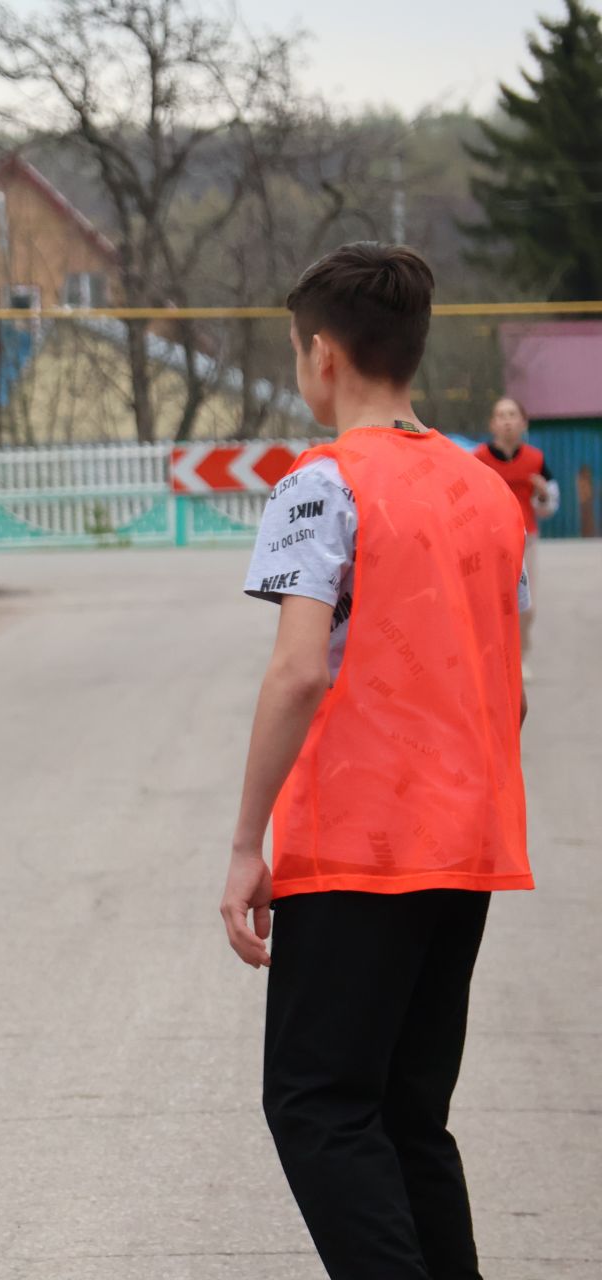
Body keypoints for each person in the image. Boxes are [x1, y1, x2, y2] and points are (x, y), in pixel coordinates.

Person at [219, 243, 532, 1280]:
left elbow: (299, 670)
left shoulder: (322, 482)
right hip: (470, 842)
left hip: (359, 842)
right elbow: (512, 686)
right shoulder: (487, 491)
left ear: (319, 355)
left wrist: (243, 843)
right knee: (407, 1115)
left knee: (316, 1104)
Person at [472, 396, 556, 676]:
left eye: (512, 415)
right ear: (492, 424)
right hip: (488, 541)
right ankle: (492, 657)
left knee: (526, 606)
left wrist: (543, 494)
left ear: (523, 422)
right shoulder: (478, 459)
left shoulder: (536, 460)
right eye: (501, 415)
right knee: (491, 602)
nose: (507, 420)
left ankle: (520, 657)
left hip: (526, 539)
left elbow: (550, 505)